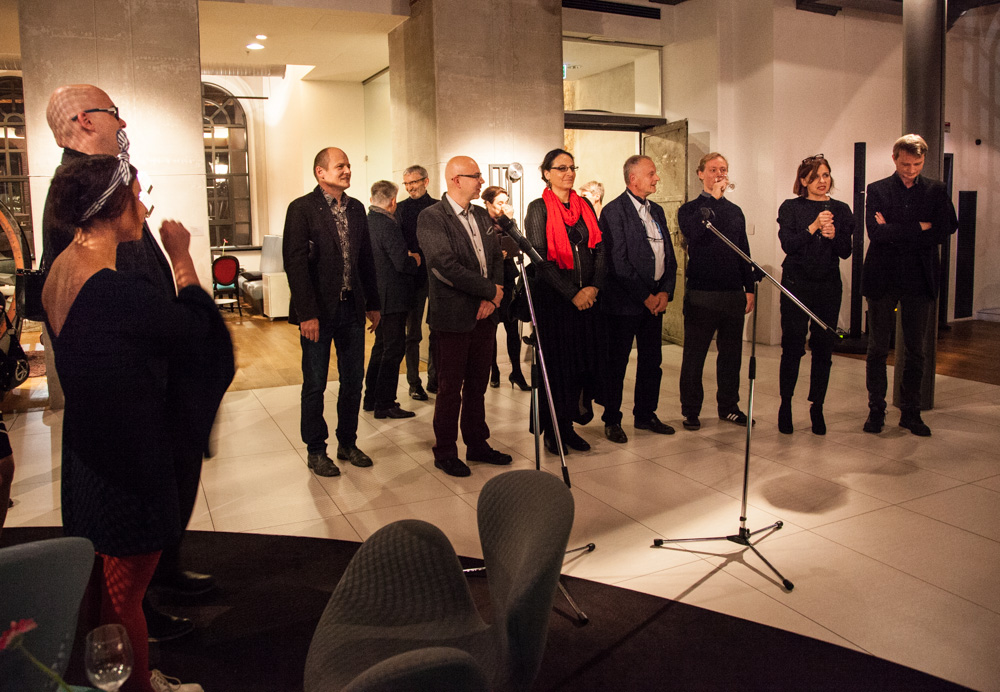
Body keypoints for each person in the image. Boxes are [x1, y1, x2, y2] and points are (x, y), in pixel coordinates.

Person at [42, 155, 233, 692]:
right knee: (126, 595)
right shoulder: (112, 291)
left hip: (87, 452)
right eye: (137, 194)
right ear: (114, 206)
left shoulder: (60, 269)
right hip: (128, 463)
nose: (145, 206)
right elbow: (200, 331)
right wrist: (182, 257)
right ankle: (137, 685)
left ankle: (112, 676)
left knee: (103, 586)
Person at [282, 147, 380, 476]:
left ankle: (347, 443)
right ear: (320, 172)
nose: (347, 170)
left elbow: (365, 260)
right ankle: (316, 450)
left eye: (349, 165)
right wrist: (306, 314)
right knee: (315, 384)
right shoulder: (301, 209)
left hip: (351, 308)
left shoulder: (357, 209)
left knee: (353, 381)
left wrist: (374, 304)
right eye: (340, 166)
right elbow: (295, 264)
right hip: (319, 313)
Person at [416, 156, 511, 477]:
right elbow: (444, 264)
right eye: (476, 176)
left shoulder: (481, 214)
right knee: (449, 388)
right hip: (453, 316)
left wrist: (494, 295)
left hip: (485, 314)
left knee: (477, 386)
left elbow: (496, 257)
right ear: (456, 180)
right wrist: (489, 290)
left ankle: (477, 443)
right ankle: (445, 451)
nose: (481, 181)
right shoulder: (432, 217)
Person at [863, 134, 958, 436]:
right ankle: (876, 409)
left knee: (916, 349)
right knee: (878, 348)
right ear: (894, 158)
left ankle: (911, 412)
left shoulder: (935, 190)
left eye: (917, 164)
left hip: (919, 276)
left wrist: (894, 230)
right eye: (905, 164)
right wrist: (919, 227)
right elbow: (876, 234)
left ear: (923, 160)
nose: (911, 170)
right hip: (883, 276)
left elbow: (946, 229)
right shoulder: (877, 189)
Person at [523, 149, 605, 455]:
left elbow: (600, 249)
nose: (568, 173)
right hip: (555, 301)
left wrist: (593, 287)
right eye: (561, 168)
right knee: (557, 369)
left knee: (580, 367)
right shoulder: (538, 208)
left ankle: (569, 426)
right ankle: (553, 430)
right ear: (546, 173)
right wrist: (572, 293)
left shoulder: (585, 206)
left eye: (572, 167)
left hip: (588, 301)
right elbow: (540, 259)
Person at [599, 155, 678, 444]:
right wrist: (645, 296)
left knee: (651, 361)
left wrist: (665, 291)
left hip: (654, 301)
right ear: (633, 179)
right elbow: (618, 262)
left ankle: (645, 414)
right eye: (651, 173)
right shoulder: (613, 211)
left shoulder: (657, 210)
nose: (657, 178)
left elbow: (669, 255)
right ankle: (612, 419)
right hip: (624, 303)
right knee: (617, 363)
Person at [776, 155, 854, 435]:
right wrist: (813, 227)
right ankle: (785, 404)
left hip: (828, 285)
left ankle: (817, 406)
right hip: (796, 283)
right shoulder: (791, 207)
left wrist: (833, 236)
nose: (822, 181)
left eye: (826, 175)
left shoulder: (841, 209)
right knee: (793, 345)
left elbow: (846, 251)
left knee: (823, 347)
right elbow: (788, 245)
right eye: (816, 176)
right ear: (804, 180)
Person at [677, 152, 754, 431]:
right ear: (701, 174)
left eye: (723, 169)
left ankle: (729, 407)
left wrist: (748, 287)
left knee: (731, 355)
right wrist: (713, 200)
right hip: (702, 293)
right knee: (694, 355)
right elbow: (694, 235)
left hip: (732, 292)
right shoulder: (690, 209)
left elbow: (743, 250)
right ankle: (691, 410)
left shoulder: (735, 211)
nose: (719, 174)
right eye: (713, 169)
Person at [363, 180, 420, 419]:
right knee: (394, 350)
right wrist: (415, 259)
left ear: (372, 199)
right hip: (393, 296)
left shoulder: (367, 221)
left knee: (381, 347)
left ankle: (370, 398)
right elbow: (401, 263)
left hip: (376, 295)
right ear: (393, 201)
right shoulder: (388, 224)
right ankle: (385, 403)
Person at [395, 165, 438, 399]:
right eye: (407, 183)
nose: (410, 187)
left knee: (437, 330)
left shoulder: (438, 207)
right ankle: (414, 383)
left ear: (425, 181)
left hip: (437, 277)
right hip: (412, 280)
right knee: (412, 333)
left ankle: (434, 379)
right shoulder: (399, 209)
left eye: (414, 182)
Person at [481, 185, 529, 391]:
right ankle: (494, 370)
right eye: (499, 203)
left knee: (512, 327)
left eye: (505, 202)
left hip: (508, 278)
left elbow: (519, 243)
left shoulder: (507, 221)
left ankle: (516, 371)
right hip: (491, 280)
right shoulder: (481, 221)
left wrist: (510, 222)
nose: (503, 206)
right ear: (488, 203)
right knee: (491, 329)